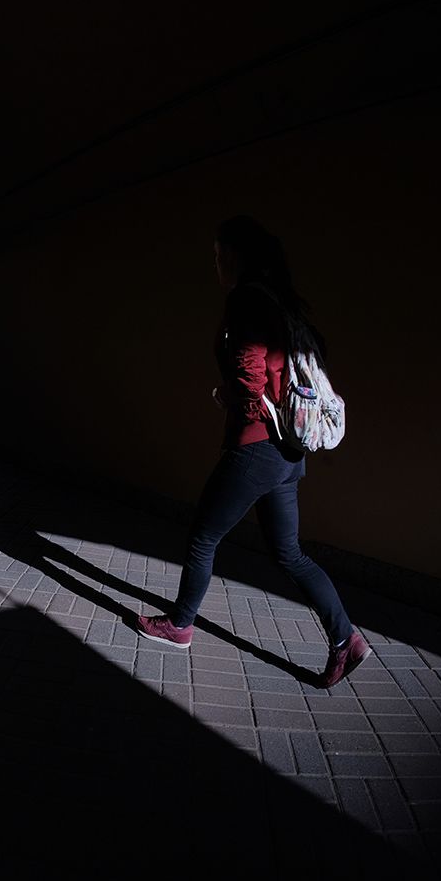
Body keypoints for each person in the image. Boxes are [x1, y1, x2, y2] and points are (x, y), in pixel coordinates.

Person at [137, 215, 371, 688]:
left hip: (257, 446)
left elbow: (250, 372)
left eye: (219, 256)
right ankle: (346, 639)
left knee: (203, 537)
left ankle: (180, 626)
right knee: (289, 553)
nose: (216, 265)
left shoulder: (246, 299)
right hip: (289, 451)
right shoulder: (280, 300)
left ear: (236, 257)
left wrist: (235, 400)